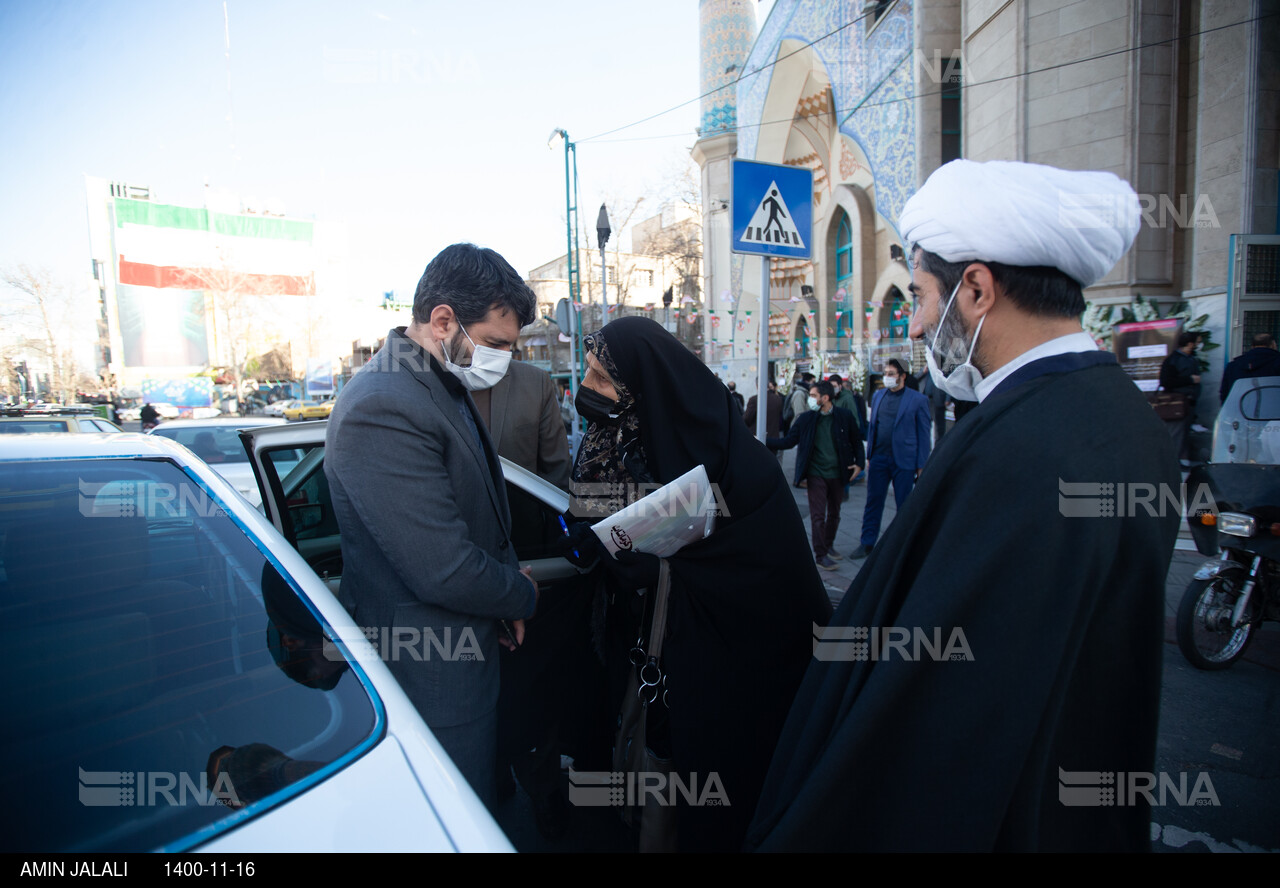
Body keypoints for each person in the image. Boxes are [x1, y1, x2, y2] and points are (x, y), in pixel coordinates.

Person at [745, 159, 1180, 853]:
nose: (915, 328)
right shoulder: (1130, 422)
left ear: (976, 288)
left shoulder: (1016, 443)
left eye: (918, 297)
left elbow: (943, 705)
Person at [564, 316, 831, 852]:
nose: (585, 391)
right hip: (641, 651)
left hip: (728, 672)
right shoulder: (616, 435)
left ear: (644, 386)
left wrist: (660, 565)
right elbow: (587, 520)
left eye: (599, 379)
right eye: (587, 374)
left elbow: (761, 576)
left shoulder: (737, 463)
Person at [324, 243, 539, 809]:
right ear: (443, 320)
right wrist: (518, 595)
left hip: (462, 655)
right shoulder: (385, 403)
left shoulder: (436, 379)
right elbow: (444, 567)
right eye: (494, 344)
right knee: (452, 822)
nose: (503, 360)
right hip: (432, 679)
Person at [472, 357, 578, 838]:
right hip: (454, 570)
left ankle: (542, 788)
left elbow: (556, 479)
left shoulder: (535, 383)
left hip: (528, 567)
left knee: (529, 693)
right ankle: (486, 786)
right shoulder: (425, 382)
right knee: (473, 691)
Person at [766, 380, 865, 570]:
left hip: (838, 473)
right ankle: (821, 555)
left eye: (813, 396)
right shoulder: (806, 419)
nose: (810, 400)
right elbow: (788, 441)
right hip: (815, 474)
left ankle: (828, 546)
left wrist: (859, 464)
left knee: (834, 514)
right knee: (818, 515)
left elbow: (856, 441)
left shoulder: (844, 417)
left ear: (825, 398)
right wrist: (762, 440)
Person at [851, 358, 931, 559]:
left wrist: (922, 465)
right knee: (873, 502)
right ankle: (867, 542)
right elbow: (874, 427)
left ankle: (902, 546)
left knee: (904, 505)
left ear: (902, 376)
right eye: (885, 373)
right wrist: (869, 454)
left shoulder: (917, 400)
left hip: (904, 460)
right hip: (879, 458)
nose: (887, 377)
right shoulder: (878, 396)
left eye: (891, 373)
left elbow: (924, 433)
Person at [1158, 331, 1202, 463]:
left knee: (1184, 434)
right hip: (1176, 404)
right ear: (1190, 344)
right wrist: (1189, 379)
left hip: (1189, 403)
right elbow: (1165, 381)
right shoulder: (1173, 360)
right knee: (1176, 434)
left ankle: (1182, 460)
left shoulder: (1191, 359)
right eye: (1198, 342)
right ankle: (1172, 463)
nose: (1200, 345)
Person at [1220, 332, 1280, 402]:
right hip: (1273, 409)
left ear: (1252, 346)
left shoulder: (1233, 365)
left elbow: (1225, 393)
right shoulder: (1277, 362)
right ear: (1273, 345)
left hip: (1239, 409)